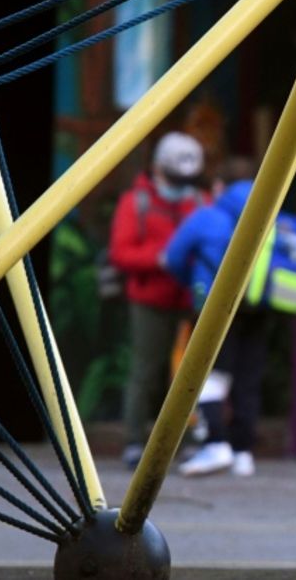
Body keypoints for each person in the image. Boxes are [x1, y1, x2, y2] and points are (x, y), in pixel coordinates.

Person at [163, 160, 296, 478]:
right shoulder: (274, 215)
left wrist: (190, 283)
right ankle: (243, 452)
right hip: (259, 308)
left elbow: (172, 257)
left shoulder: (208, 216)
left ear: (220, 185)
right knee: (248, 378)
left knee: (208, 377)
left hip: (215, 310)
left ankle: (217, 444)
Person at [109, 131, 206, 468]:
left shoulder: (199, 201)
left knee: (188, 375)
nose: (183, 184)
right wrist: (161, 257)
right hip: (149, 300)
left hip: (190, 301)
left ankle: (190, 442)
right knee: (144, 372)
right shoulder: (136, 202)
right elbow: (121, 253)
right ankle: (135, 441)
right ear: (158, 168)